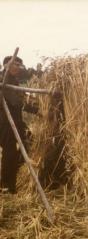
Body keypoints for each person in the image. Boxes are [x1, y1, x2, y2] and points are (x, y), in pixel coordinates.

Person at [0, 56, 37, 194]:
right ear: (7, 65)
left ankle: (11, 181)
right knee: (9, 153)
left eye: (20, 66)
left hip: (16, 122)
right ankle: (6, 185)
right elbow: (16, 101)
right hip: (5, 123)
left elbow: (22, 102)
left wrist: (39, 110)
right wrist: (29, 104)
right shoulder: (3, 80)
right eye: (15, 65)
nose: (18, 68)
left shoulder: (14, 81)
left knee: (28, 141)